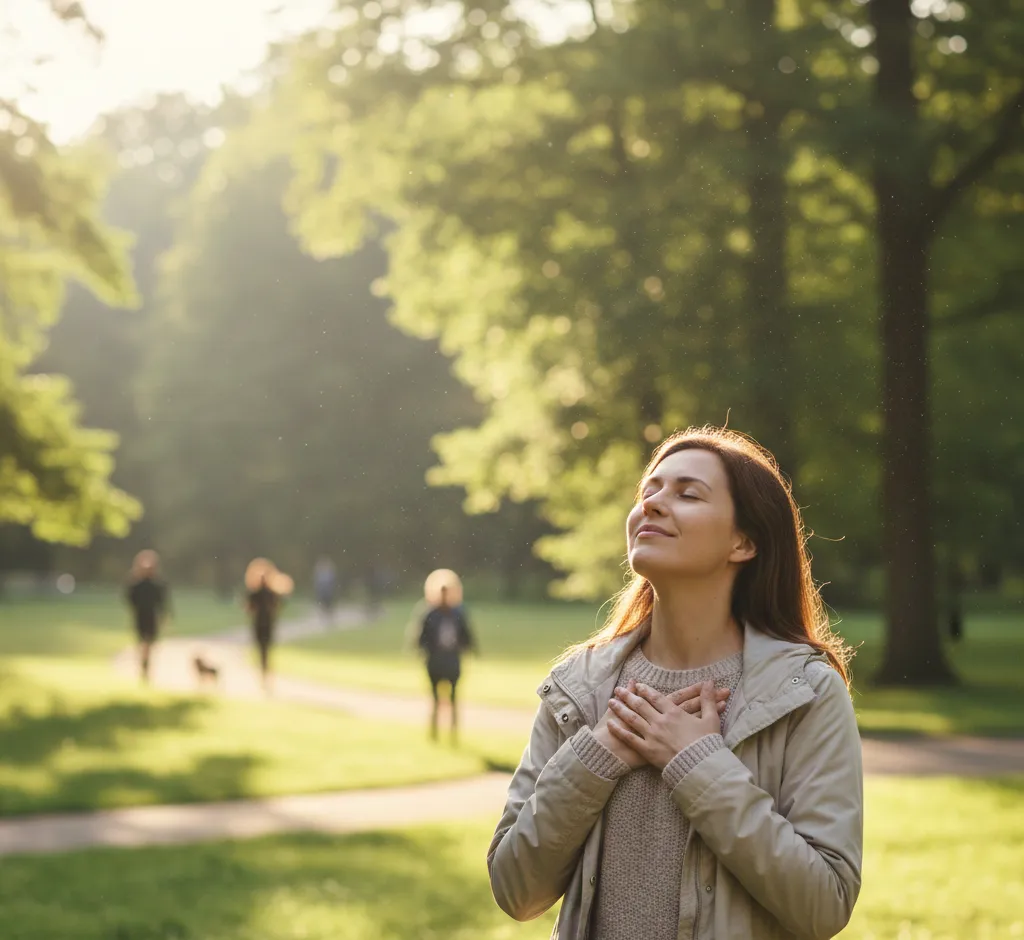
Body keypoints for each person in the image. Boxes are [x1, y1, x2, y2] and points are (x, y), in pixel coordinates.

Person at [488, 426, 862, 940]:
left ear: (744, 542)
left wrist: (698, 765)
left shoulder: (806, 693)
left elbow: (824, 905)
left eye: (688, 494)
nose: (653, 504)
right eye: (649, 491)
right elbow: (515, 890)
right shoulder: (579, 686)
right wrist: (595, 756)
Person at [418, 576, 476, 741]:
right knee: (435, 698)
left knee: (454, 697)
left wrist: (467, 649)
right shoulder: (430, 614)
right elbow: (422, 638)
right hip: (435, 661)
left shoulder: (458, 613)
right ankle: (434, 732)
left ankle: (453, 733)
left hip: (452, 660)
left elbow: (466, 636)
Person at [244, 558, 292, 691]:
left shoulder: (261, 594)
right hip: (264, 626)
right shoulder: (266, 594)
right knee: (264, 652)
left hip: (263, 626)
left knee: (264, 652)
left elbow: (249, 608)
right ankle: (265, 676)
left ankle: (265, 676)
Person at [125, 549, 170, 684]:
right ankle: (143, 666)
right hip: (141, 616)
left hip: (151, 616)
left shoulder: (157, 584)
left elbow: (162, 601)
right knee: (142, 643)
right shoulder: (136, 583)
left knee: (148, 643)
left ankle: (146, 666)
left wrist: (164, 616)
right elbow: (130, 599)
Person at [313, 556, 337, 625]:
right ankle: (325, 619)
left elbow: (332, 583)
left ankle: (329, 619)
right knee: (323, 606)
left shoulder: (329, 574)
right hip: (322, 593)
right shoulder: (320, 574)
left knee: (329, 606)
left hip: (328, 593)